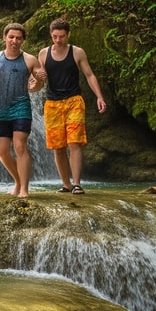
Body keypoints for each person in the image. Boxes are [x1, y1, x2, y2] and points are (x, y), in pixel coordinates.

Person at [42, 18, 107, 194]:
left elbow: (89, 75)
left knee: (74, 142)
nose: (58, 40)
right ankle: (66, 184)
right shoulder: (43, 54)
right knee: (58, 146)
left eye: (61, 36)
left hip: (74, 101)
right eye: (55, 36)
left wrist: (99, 97)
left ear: (68, 35)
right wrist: (34, 82)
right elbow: (40, 79)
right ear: (51, 35)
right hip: (52, 104)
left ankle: (76, 183)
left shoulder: (77, 52)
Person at [0, 23, 46, 198]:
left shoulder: (30, 60)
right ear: (4, 37)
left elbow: (37, 85)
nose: (14, 41)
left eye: (18, 38)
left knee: (20, 146)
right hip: (0, 109)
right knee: (2, 151)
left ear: (23, 40)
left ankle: (24, 189)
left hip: (21, 108)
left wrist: (39, 80)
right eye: (11, 37)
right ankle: (18, 181)